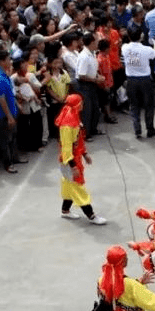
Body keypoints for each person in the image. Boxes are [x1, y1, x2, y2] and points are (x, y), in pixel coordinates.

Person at [54, 94, 107, 225]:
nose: (83, 105)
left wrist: (85, 154)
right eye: (81, 103)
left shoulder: (74, 116)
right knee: (77, 187)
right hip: (69, 160)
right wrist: (73, 166)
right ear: (77, 105)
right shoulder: (67, 124)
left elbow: (78, 140)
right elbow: (66, 148)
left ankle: (65, 210)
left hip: (74, 157)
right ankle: (91, 215)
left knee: (68, 186)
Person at [122, 34, 155, 138]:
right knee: (148, 105)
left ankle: (137, 128)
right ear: (141, 37)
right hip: (145, 80)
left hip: (131, 79)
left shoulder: (124, 48)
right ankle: (150, 128)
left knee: (134, 105)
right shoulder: (146, 49)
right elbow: (154, 54)